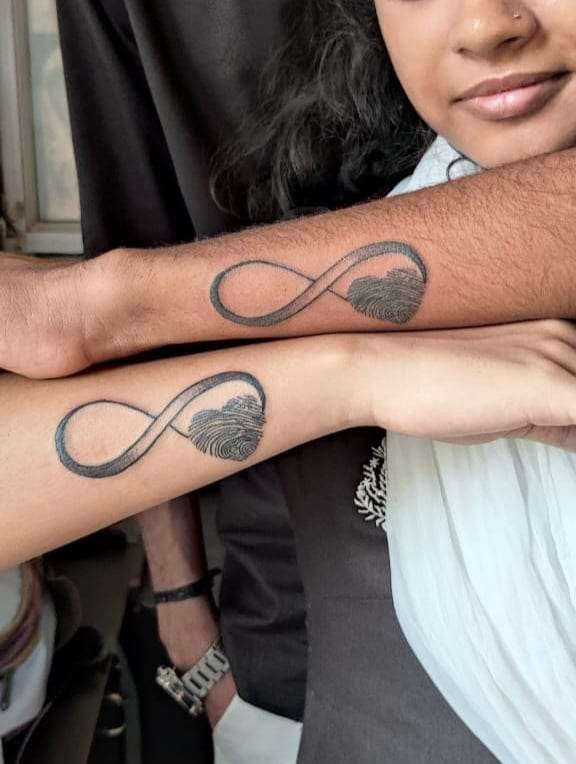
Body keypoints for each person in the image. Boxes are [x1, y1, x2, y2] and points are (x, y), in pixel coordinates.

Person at [2, 1, 576, 762]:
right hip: (272, 647)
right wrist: (352, 372)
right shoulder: (334, 296)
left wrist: (104, 305)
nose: (484, 26)